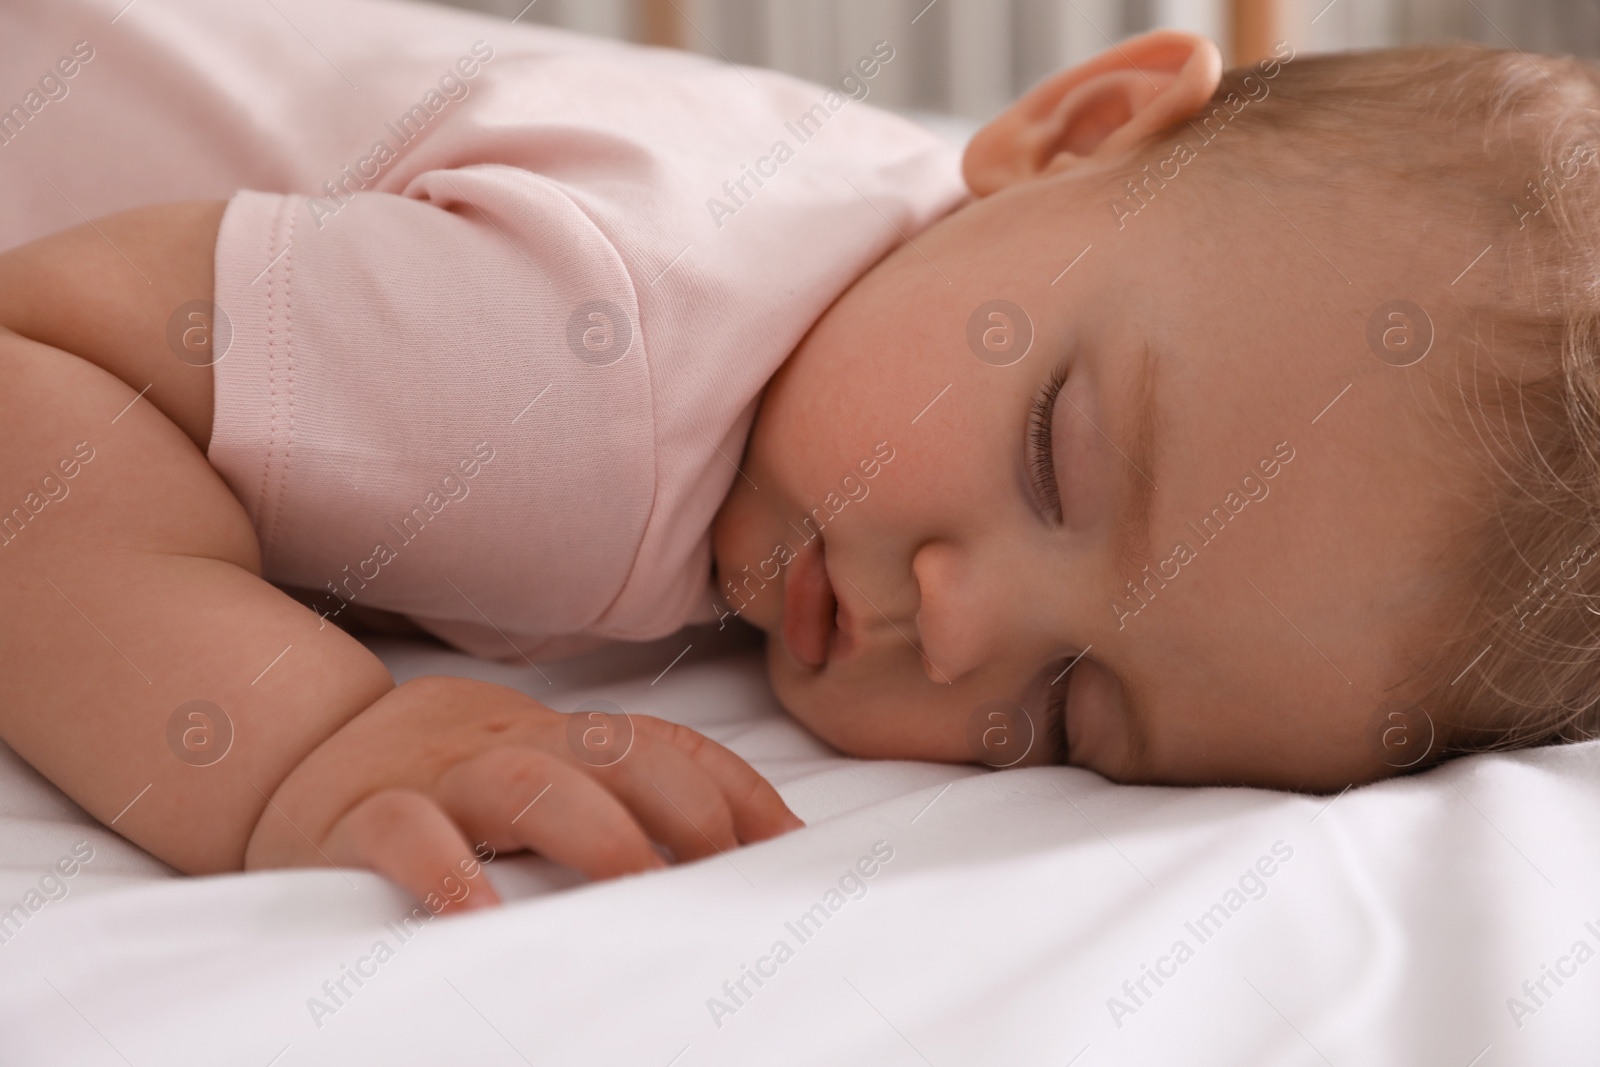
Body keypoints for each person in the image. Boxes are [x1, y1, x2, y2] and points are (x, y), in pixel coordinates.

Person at [1, 0, 1594, 914]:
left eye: (1069, 711)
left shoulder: (957, 239)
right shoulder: (580, 374)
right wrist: (295, 748)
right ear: (1079, 125)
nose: (966, 632)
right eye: (1055, 459)